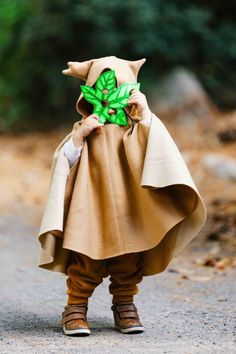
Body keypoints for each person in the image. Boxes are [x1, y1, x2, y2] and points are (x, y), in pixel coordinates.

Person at [37, 56, 206, 336]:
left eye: (117, 89)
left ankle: (124, 304)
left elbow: (158, 150)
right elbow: (64, 162)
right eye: (102, 89)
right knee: (85, 259)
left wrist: (146, 113)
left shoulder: (137, 126)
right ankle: (75, 307)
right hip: (89, 204)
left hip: (128, 203)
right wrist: (80, 137)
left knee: (128, 259)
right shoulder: (85, 127)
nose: (108, 96)